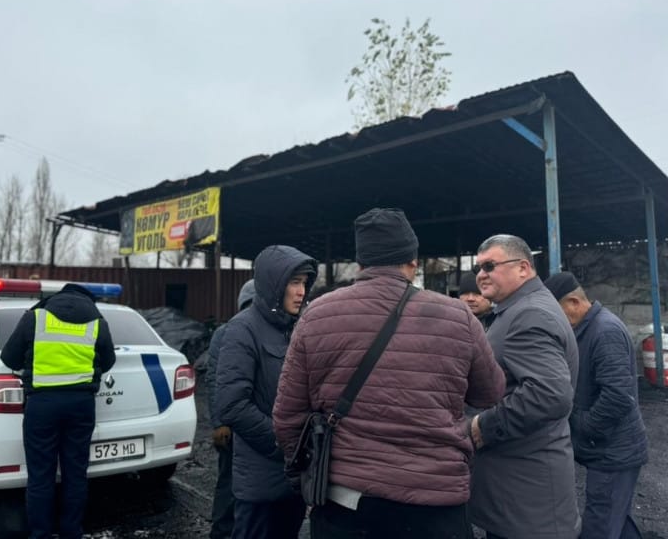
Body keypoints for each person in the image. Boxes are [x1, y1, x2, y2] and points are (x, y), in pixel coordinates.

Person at [273, 208, 506, 539]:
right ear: (412, 262)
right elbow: (490, 393)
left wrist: (304, 471)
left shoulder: (316, 316)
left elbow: (286, 417)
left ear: (361, 265)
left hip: (346, 502)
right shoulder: (458, 316)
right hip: (435, 502)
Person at [468, 235, 580, 539]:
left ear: (523, 268)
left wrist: (481, 427)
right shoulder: (519, 309)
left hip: (527, 497)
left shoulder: (530, 314)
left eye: (489, 266)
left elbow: (550, 395)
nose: (481, 275)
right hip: (519, 493)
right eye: (478, 268)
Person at [216, 245, 318, 539]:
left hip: (295, 480)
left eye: (304, 283)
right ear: (274, 284)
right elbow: (232, 404)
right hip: (260, 485)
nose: (301, 292)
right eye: (294, 282)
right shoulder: (242, 329)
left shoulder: (298, 328)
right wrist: (284, 442)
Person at [0, 283, 116, 539]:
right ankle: (71, 532)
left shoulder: (35, 317)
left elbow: (9, 358)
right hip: (81, 405)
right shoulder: (97, 322)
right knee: (76, 474)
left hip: (42, 405)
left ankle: (40, 534)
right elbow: (108, 361)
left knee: (41, 476)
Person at [544, 271, 648, 539]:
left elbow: (618, 396)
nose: (553, 321)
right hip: (608, 448)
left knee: (599, 525)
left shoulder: (605, 331)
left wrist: (582, 426)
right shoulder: (586, 329)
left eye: (555, 312)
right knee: (615, 519)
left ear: (574, 302)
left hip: (613, 452)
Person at [206, 278, 256, 539]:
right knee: (229, 484)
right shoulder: (225, 333)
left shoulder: (276, 330)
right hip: (236, 426)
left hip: (253, 425)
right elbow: (214, 380)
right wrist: (219, 423)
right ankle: (223, 532)